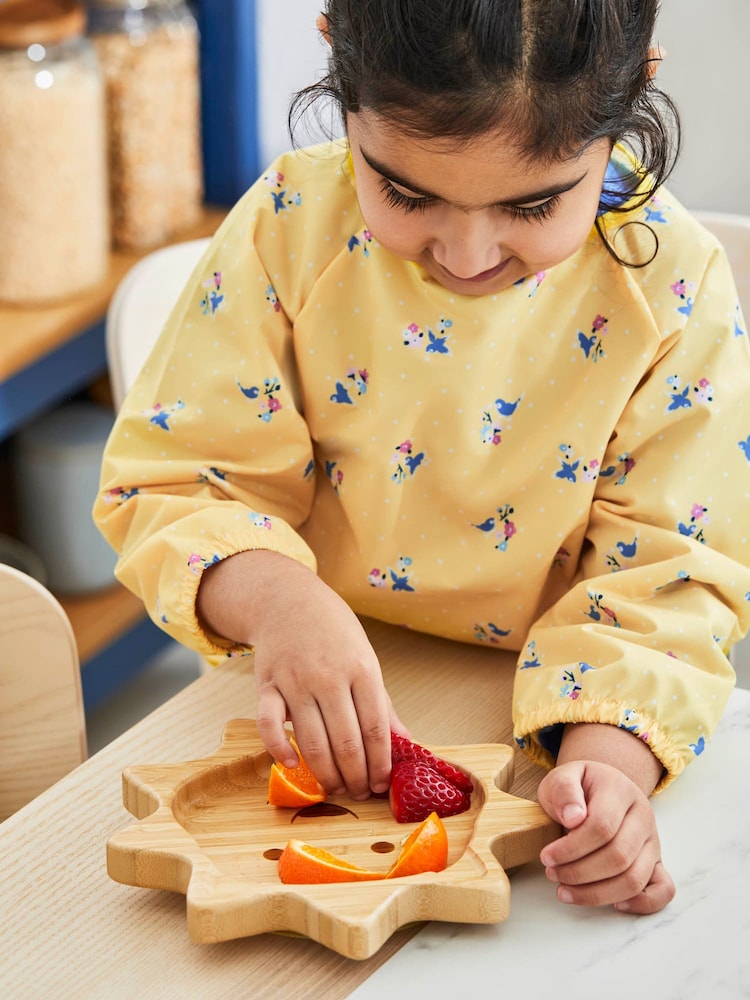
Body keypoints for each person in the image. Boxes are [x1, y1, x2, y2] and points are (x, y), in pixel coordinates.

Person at [94, 0, 750, 916]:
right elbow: (176, 482)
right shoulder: (289, 227)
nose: (468, 254)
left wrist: (608, 772)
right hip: (299, 705)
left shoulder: (670, 285)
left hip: (543, 729)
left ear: (636, 84)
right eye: (407, 193)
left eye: (533, 204)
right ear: (337, 62)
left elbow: (668, 578)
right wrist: (281, 604)